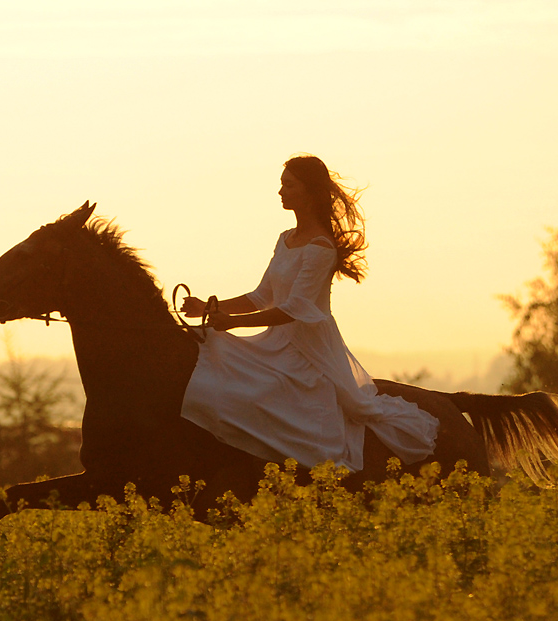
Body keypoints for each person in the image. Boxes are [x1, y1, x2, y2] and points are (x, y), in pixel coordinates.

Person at [180, 155, 438, 472]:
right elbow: (261, 296)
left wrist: (232, 323)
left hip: (307, 349)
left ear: (309, 191)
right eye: (281, 185)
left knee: (258, 395)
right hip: (275, 340)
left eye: (288, 185)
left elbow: (294, 309)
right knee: (212, 353)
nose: (280, 192)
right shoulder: (285, 239)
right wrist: (208, 307)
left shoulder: (321, 247)